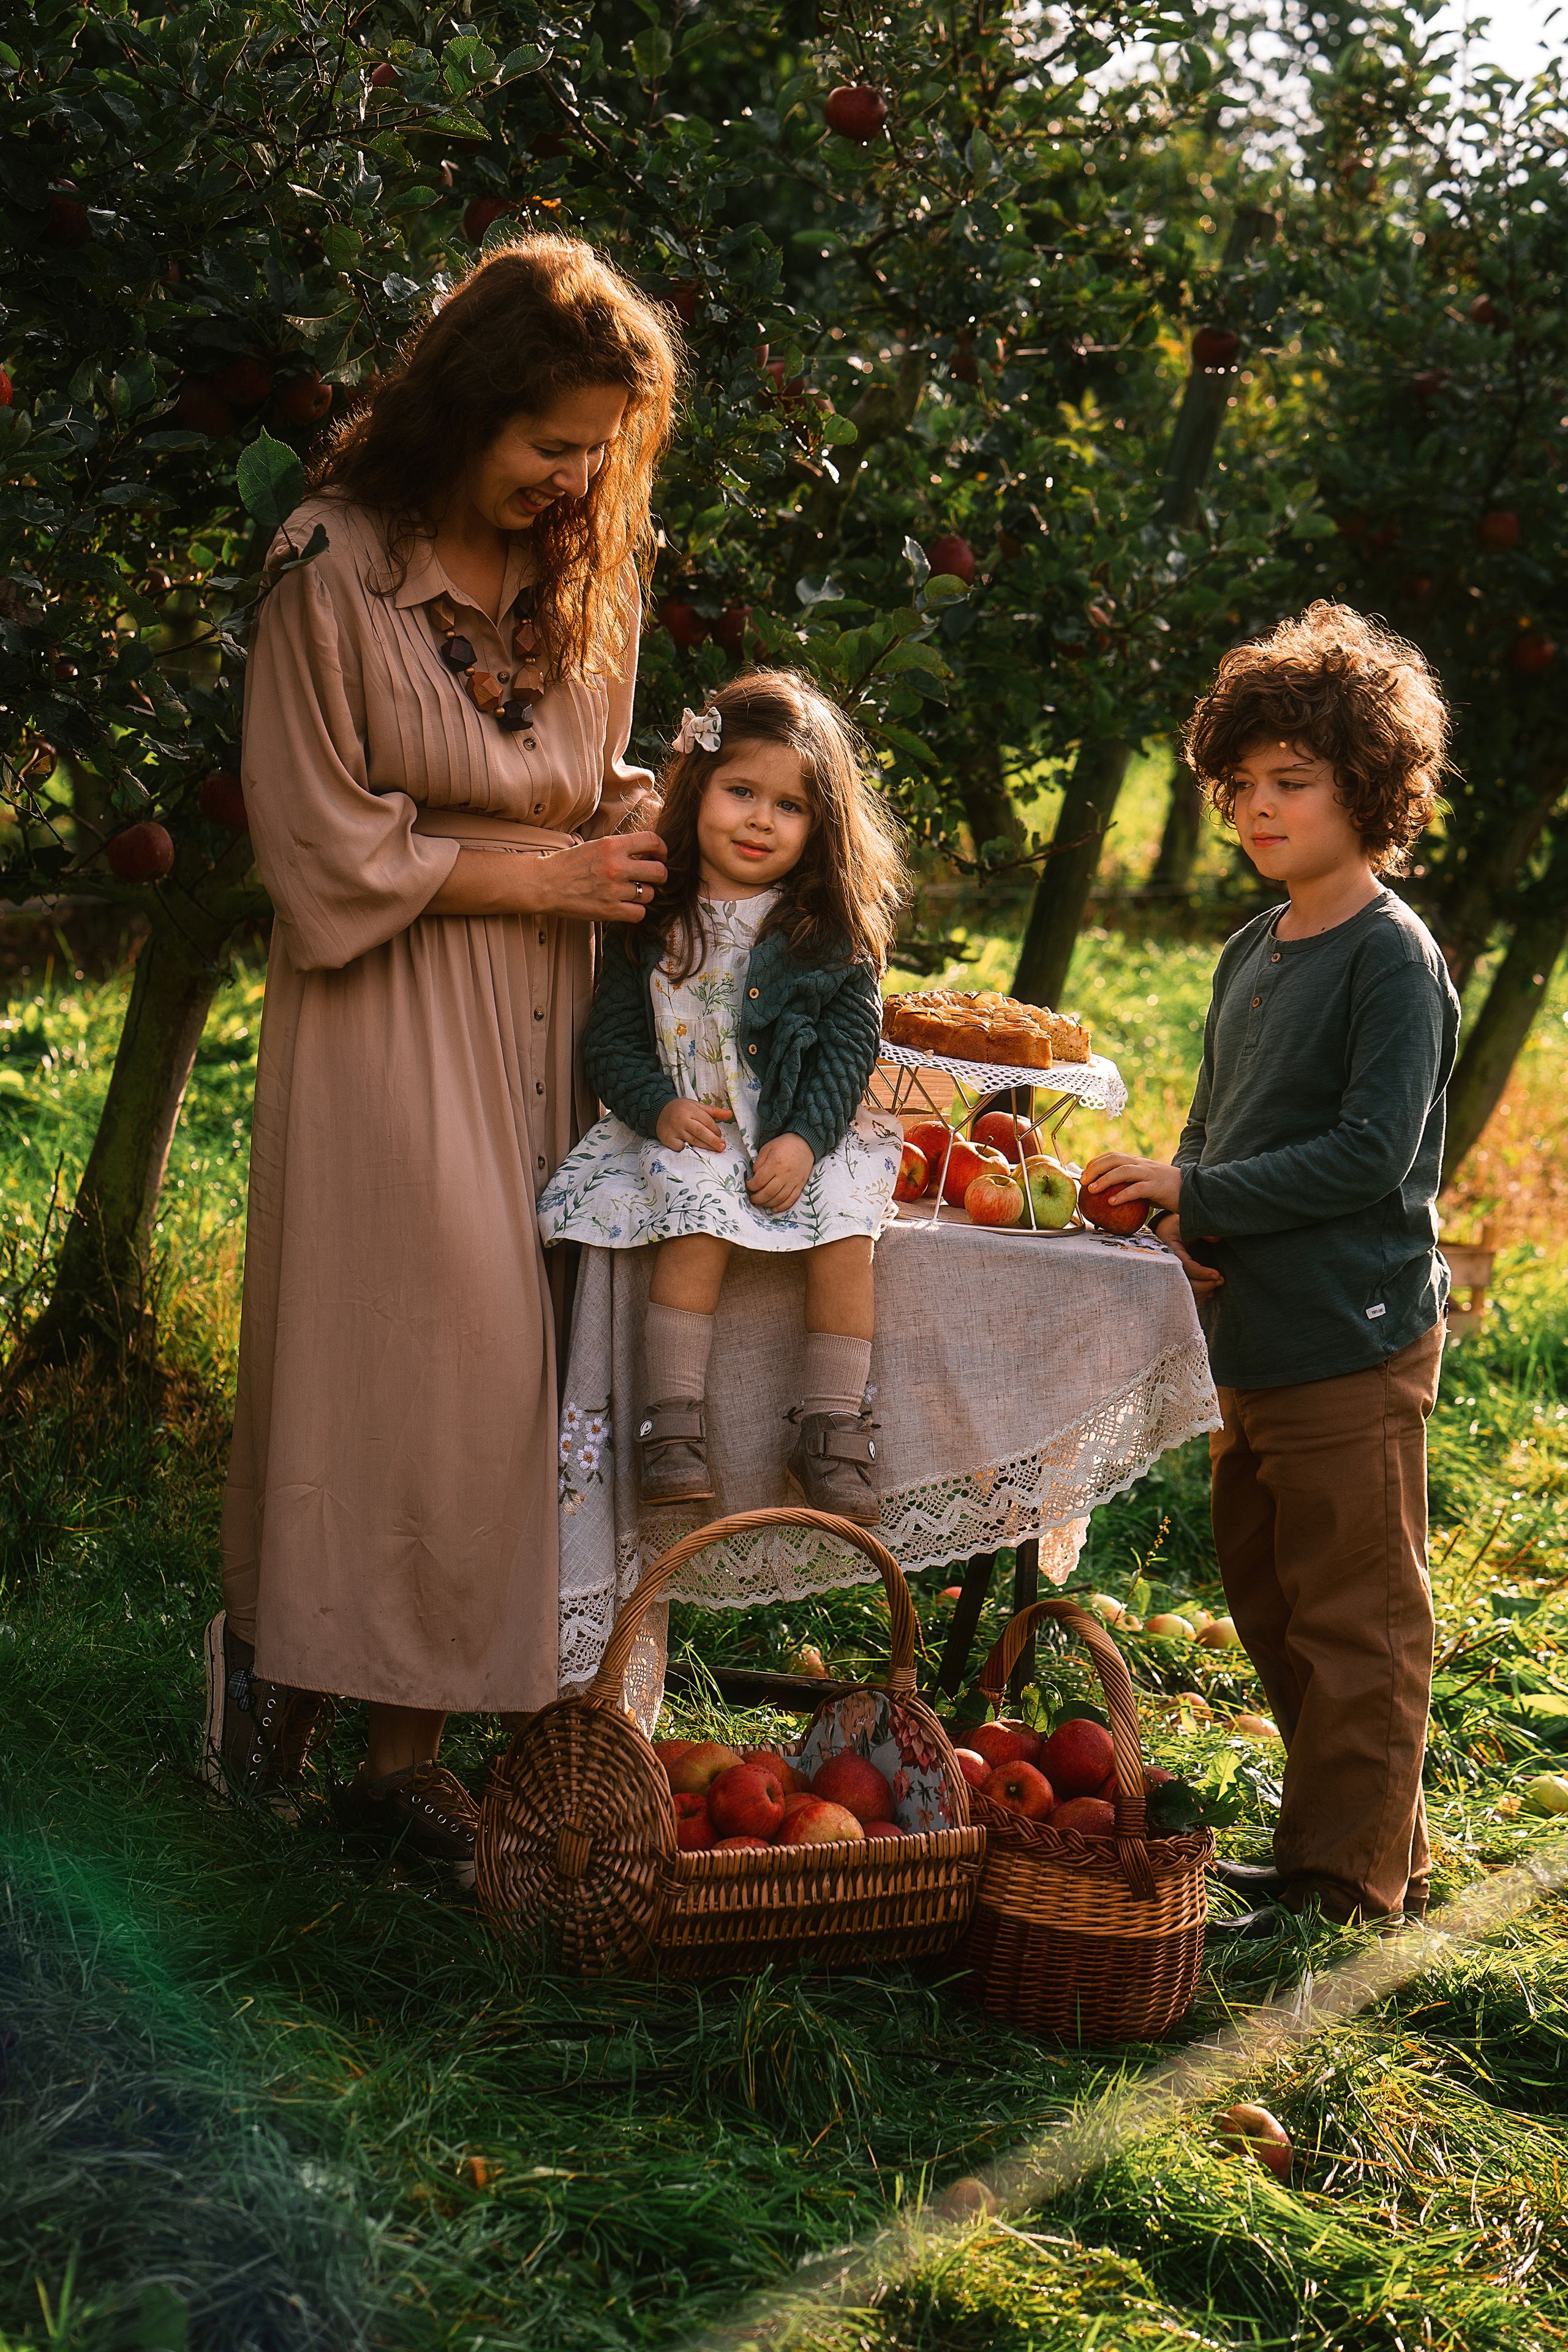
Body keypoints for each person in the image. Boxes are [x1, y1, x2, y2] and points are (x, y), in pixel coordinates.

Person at [203, 235, 680, 1880]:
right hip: (388, 1010)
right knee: (413, 1358)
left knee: (514, 1378)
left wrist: (631, 826)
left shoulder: (585, 585)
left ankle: (396, 1751)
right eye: (550, 444)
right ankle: (282, 1660)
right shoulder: (329, 567)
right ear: (467, 406)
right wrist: (546, 871)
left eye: (598, 453)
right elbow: (321, 846)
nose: (574, 480)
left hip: (550, 1019)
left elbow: (580, 780)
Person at [1080, 602, 1461, 1931]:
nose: (1256, 807)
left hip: (1350, 1335)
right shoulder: (1256, 946)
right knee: (1268, 1589)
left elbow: (1367, 1155)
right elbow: (1215, 1128)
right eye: (1238, 786)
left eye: (1289, 783)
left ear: (1369, 787)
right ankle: (1359, 1846)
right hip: (1251, 1334)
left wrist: (1202, 1190)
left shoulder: (1387, 957)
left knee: (1357, 1615)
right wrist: (1186, 1221)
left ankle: (1340, 1887)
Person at [537, 670, 908, 1524]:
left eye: (789, 807)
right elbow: (613, 1039)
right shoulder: (654, 915)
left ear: (819, 827)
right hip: (697, 1125)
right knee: (693, 1217)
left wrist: (807, 1141)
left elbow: (853, 1045)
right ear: (698, 787)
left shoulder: (821, 927)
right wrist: (657, 1107)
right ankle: (672, 1426)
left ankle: (828, 1426)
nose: (759, 820)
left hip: (792, 1131)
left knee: (848, 1232)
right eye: (742, 791)